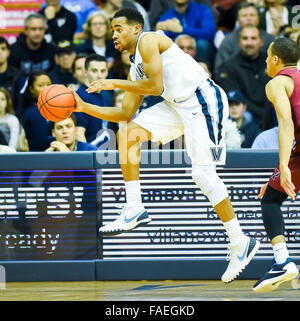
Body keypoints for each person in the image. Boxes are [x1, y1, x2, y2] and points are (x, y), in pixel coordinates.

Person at [73, 8, 260, 284]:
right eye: (112, 28)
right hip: (177, 105)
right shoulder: (135, 63)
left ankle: (239, 241)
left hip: (202, 100)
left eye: (118, 27)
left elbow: (156, 85)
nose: (114, 33)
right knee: (128, 132)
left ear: (136, 29)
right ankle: (134, 207)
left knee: (203, 175)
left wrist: (113, 82)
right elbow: (125, 114)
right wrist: (85, 107)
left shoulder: (148, 40)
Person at [252, 37, 300, 293]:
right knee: (271, 194)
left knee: (271, 200)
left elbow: (286, 123)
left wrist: (282, 168)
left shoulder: (276, 83)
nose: (265, 61)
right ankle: (282, 262)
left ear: (275, 59)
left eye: (267, 56)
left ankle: (282, 260)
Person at [215, 25, 271, 128]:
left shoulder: (271, 62)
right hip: (249, 117)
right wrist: (265, 115)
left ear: (261, 41)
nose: (249, 42)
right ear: (239, 42)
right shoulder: (228, 67)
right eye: (245, 38)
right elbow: (238, 100)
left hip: (272, 113)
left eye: (253, 38)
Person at [214, 2, 275, 71]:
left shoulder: (270, 40)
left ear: (258, 18)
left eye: (252, 15)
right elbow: (220, 69)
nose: (248, 18)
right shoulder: (228, 40)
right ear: (238, 20)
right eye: (244, 15)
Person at [155, 0, 216, 66]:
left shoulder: (202, 10)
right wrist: (159, 29)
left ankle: (204, 69)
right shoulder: (167, 15)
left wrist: (182, 29)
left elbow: (209, 33)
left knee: (203, 44)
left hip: (197, 47)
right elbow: (163, 38)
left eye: (183, 4)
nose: (181, 4)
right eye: (179, 4)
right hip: (177, 48)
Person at [75, 54, 113, 146]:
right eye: (94, 71)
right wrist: (86, 156)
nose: (99, 75)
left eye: (103, 71)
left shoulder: (106, 94)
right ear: (85, 71)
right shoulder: (81, 97)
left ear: (107, 72)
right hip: (90, 154)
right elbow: (79, 132)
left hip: (105, 152)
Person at [21, 71, 54, 151]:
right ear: (32, 89)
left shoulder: (62, 108)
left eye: (49, 84)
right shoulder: (31, 113)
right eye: (41, 85)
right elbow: (42, 141)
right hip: (38, 158)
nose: (46, 88)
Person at [0, 37, 19, 104]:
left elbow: (20, 104)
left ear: (8, 52)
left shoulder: (17, 75)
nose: (0, 52)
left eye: (3, 48)